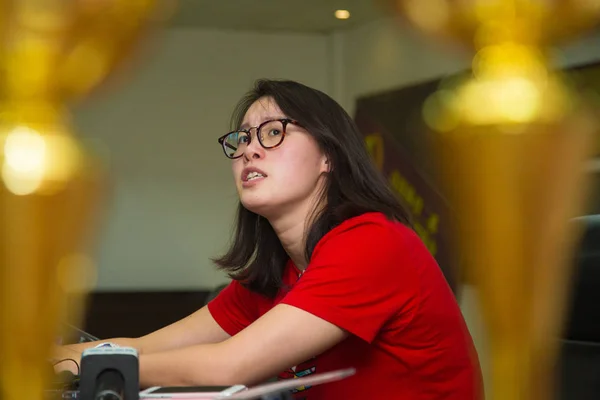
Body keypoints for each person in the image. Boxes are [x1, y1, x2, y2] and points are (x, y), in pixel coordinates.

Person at [55, 79, 483, 399]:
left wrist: (88, 368)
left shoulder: (373, 243)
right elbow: (143, 347)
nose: (249, 151)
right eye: (241, 139)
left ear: (328, 156)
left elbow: (230, 365)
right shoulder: (274, 274)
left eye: (273, 132)